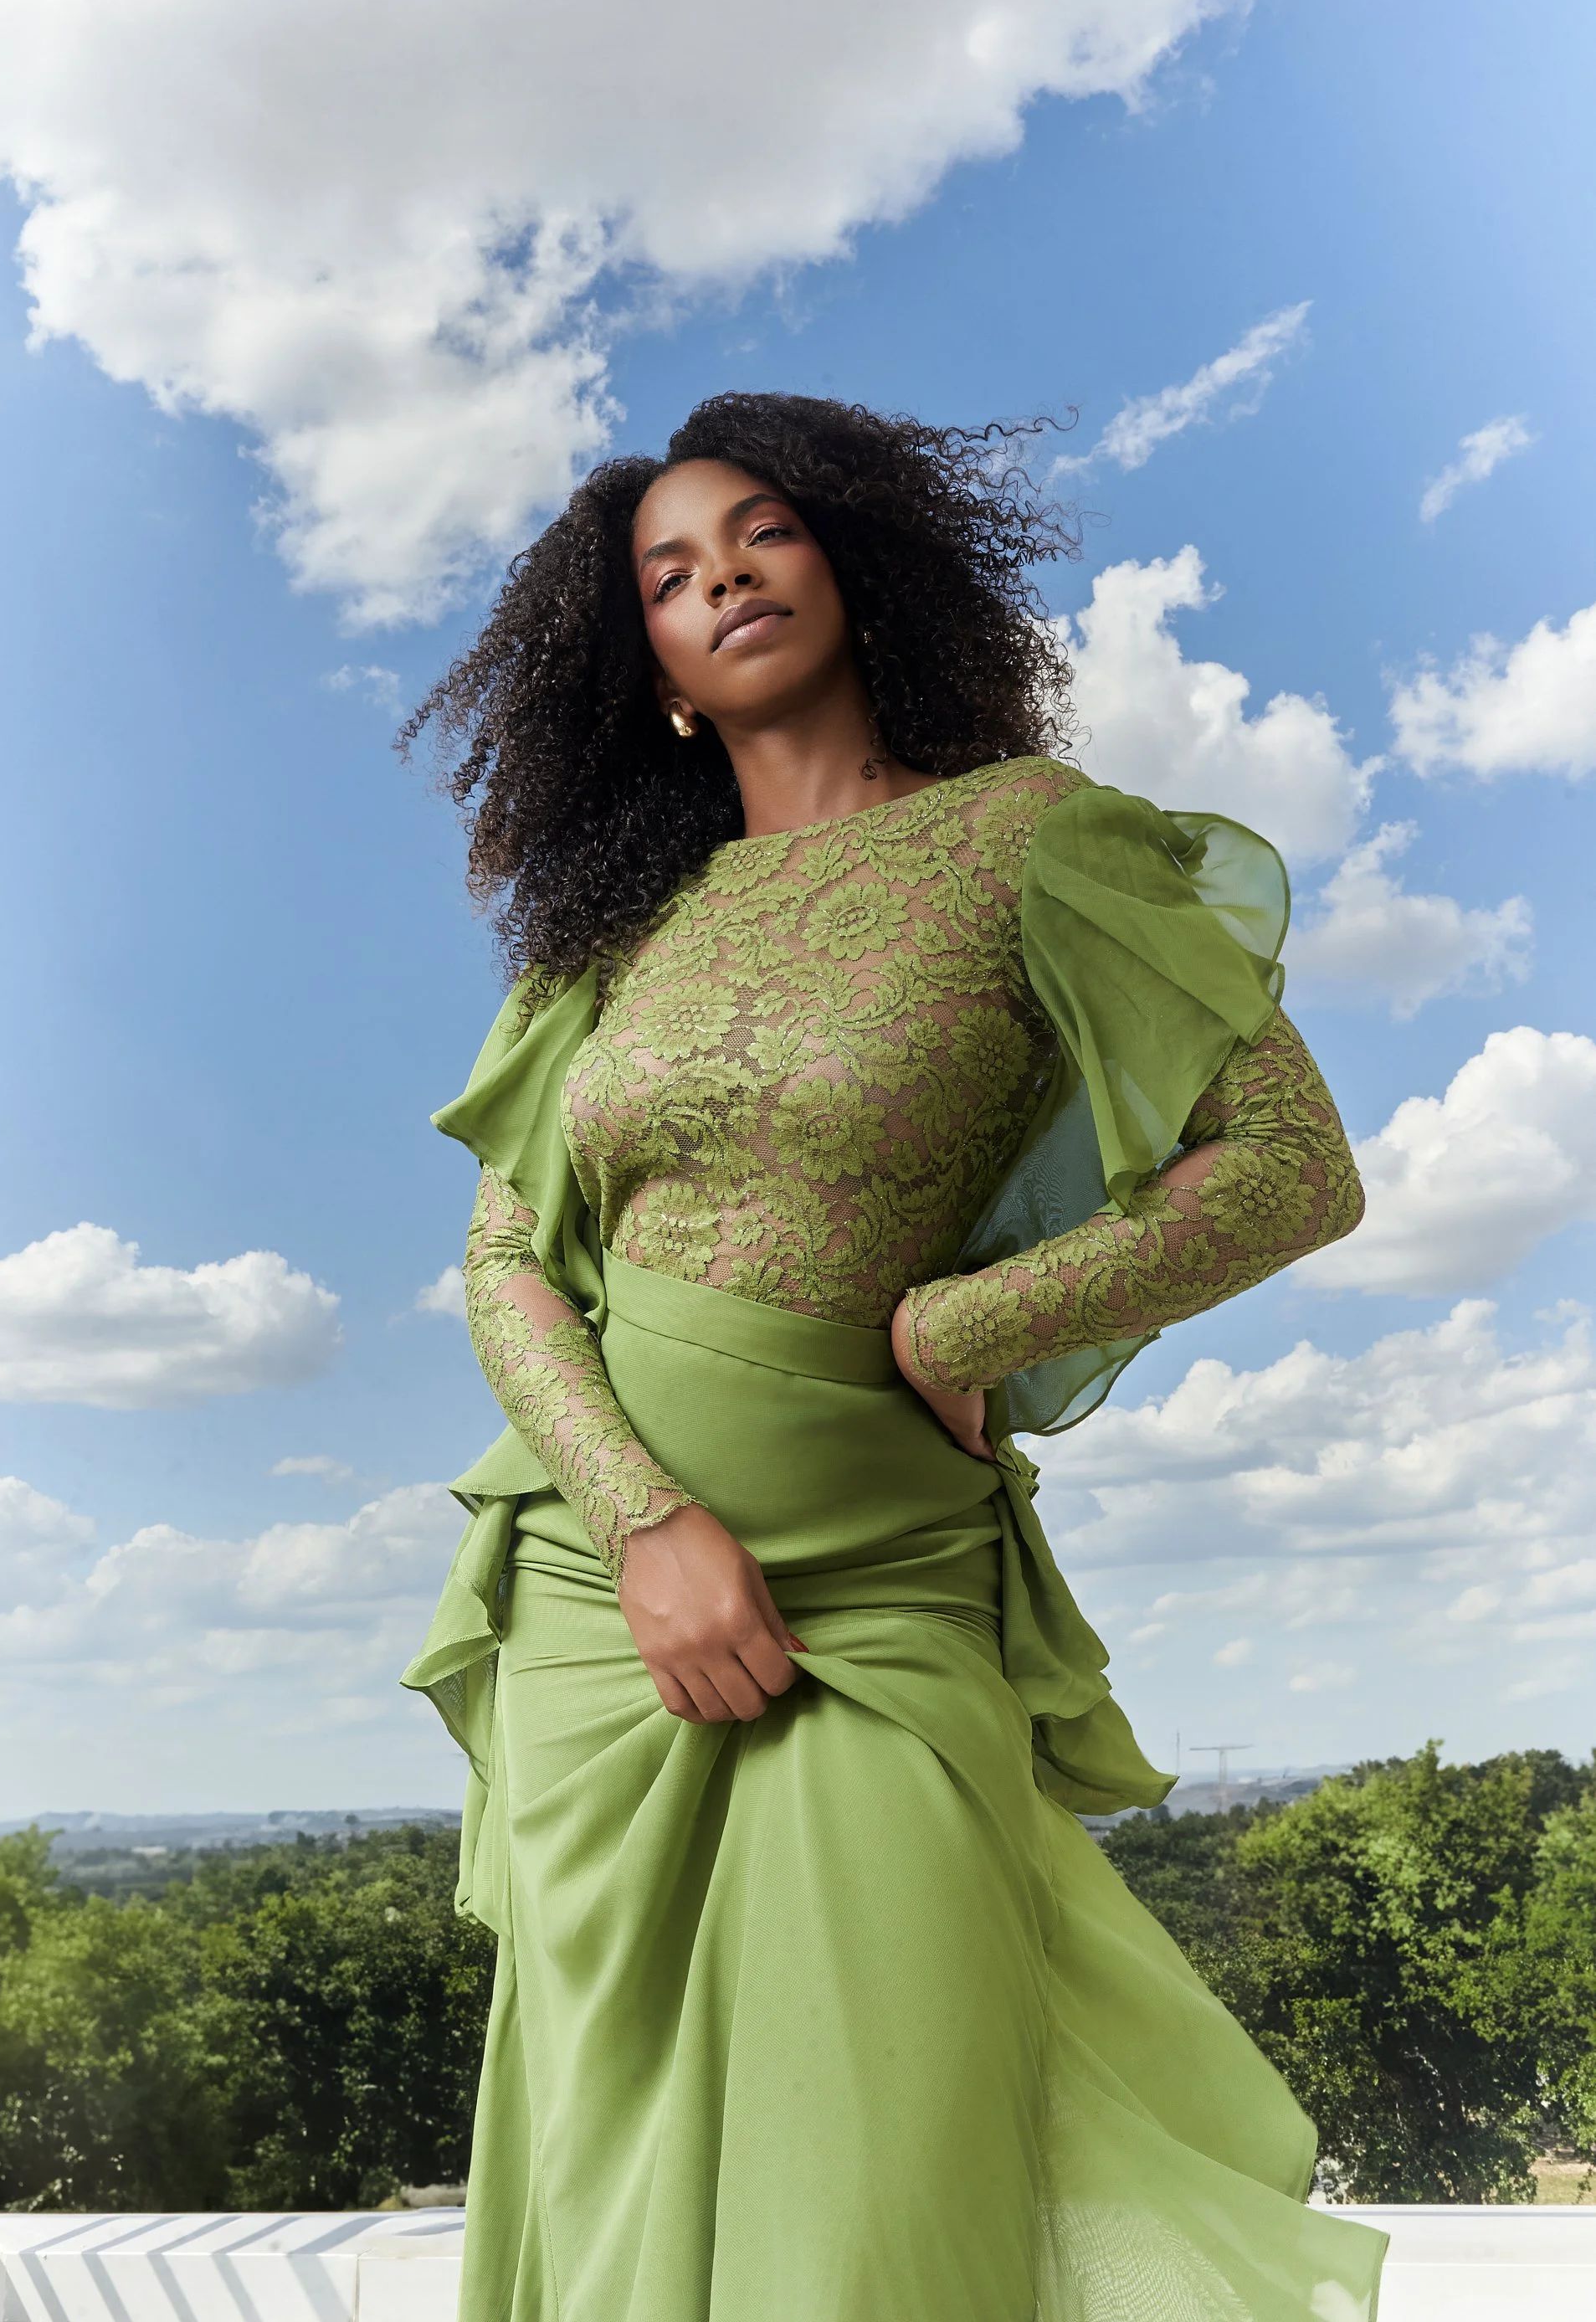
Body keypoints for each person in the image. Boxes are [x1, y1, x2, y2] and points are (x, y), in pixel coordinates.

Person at [401, 394, 1388, 2322]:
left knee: (878, 2202)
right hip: (599, 1618)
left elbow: (1293, 1168)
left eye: (758, 532)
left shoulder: (1036, 844)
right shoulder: (614, 935)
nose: (722, 581)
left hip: (884, 1599)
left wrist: (969, 1318)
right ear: (654, 674)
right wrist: (646, 1523)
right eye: (667, 577)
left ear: (854, 559)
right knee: (608, 2194)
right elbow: (508, 1253)